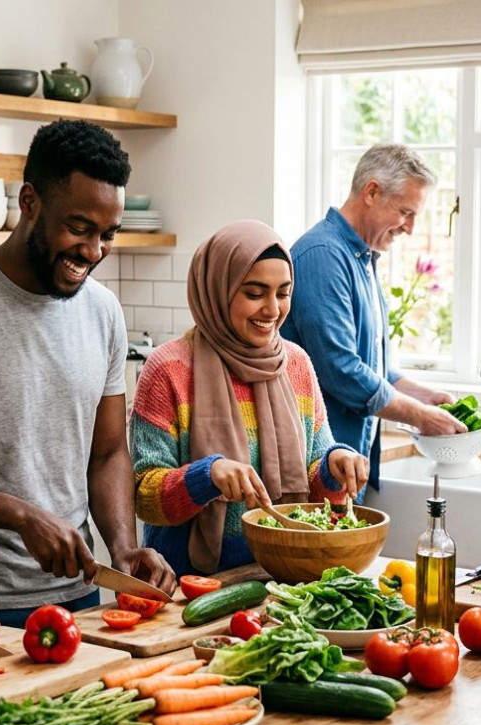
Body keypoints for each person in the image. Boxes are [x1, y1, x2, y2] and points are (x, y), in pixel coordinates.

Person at [0, 120, 176, 629]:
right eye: (79, 228)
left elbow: (109, 450)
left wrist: (122, 545)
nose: (93, 252)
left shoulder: (103, 312)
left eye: (107, 235)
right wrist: (20, 515)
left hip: (81, 593)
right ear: (29, 201)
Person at [131, 220, 370, 577]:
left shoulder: (297, 365)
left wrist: (335, 466)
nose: (273, 309)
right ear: (218, 290)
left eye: (283, 292)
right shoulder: (168, 369)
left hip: (283, 575)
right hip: (188, 586)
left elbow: (316, 482)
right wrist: (206, 476)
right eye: (255, 293)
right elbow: (144, 497)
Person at [282, 143, 464, 495]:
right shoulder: (324, 256)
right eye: (405, 212)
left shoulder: (362, 257)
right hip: (318, 464)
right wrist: (420, 416)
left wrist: (423, 396)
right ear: (372, 191)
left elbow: (372, 366)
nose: (410, 227)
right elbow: (340, 369)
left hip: (347, 463)